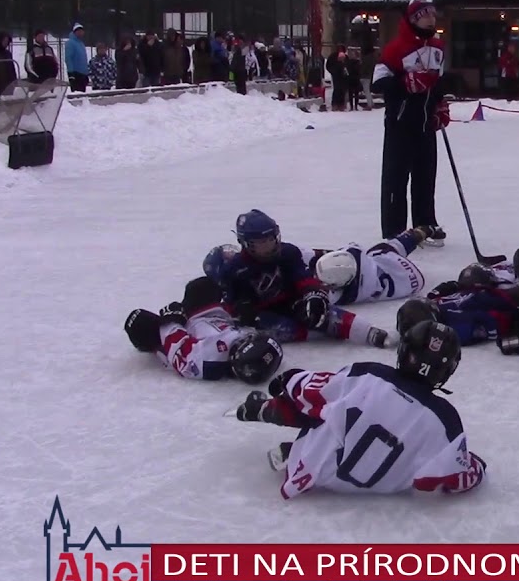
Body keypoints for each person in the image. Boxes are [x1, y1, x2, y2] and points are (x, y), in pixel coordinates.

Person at [233, 320, 488, 497]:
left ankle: (264, 412)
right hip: (382, 488)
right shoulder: (446, 420)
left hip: (315, 472)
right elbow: (442, 480)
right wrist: (474, 463)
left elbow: (309, 393)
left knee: (326, 409)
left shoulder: (368, 374)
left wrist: (287, 380)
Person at [205, 210, 390, 348]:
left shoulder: (288, 252)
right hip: (261, 314)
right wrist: (240, 311)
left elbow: (302, 277)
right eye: (261, 243)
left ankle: (371, 333)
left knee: (321, 312)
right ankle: (312, 332)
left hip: (291, 302)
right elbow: (228, 305)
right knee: (269, 327)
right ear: (246, 243)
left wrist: (315, 295)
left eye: (271, 239)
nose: (269, 246)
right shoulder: (235, 269)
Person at [374, 0, 451, 242]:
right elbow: (379, 82)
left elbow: (439, 81)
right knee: (396, 179)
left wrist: (441, 105)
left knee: (426, 176)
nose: (431, 18)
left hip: (426, 123)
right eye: (424, 14)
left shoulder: (438, 47)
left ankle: (426, 223)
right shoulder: (396, 48)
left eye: (432, 14)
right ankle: (394, 231)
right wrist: (404, 84)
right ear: (413, 19)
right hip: (400, 122)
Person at [124, 277, 284, 382]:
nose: (245, 341)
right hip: (210, 318)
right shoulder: (254, 341)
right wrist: (241, 313)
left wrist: (170, 322)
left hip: (184, 328)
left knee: (138, 321)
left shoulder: (210, 360)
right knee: (202, 286)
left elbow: (181, 352)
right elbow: (246, 328)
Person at [305, 226, 434, 305]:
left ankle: (418, 235)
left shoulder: (340, 296)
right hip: (400, 272)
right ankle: (421, 233)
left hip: (406, 280)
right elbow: (349, 252)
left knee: (385, 252)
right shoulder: (355, 257)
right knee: (384, 251)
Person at [64, 23, 88, 92]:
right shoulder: (70, 43)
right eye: (78, 31)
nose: (81, 33)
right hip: (75, 73)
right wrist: (71, 74)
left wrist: (86, 73)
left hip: (82, 74)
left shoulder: (81, 43)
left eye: (82, 31)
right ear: (75, 32)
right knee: (77, 95)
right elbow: (68, 58)